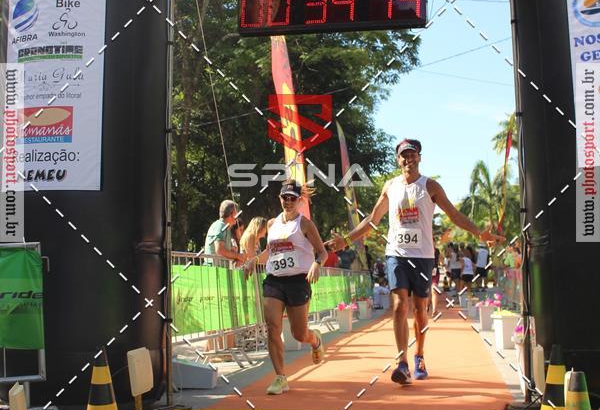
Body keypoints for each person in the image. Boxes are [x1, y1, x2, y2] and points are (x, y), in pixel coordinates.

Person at [327, 138, 504, 385]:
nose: (408, 159)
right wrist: (345, 240)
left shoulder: (430, 186)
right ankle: (402, 362)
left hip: (422, 257)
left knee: (420, 310)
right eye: (403, 156)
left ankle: (419, 354)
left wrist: (478, 233)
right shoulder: (390, 186)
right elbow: (372, 220)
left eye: (412, 155)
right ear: (398, 160)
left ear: (419, 158)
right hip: (396, 254)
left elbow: (453, 214)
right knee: (399, 305)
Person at [245, 180, 329, 395]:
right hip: (274, 280)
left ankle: (315, 339)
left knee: (299, 333)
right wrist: (253, 261)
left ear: (299, 200)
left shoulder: (305, 224)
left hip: (298, 281)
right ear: (280, 198)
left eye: (293, 198)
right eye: (285, 198)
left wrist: (317, 264)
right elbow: (270, 253)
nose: (288, 202)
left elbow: (322, 252)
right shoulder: (272, 224)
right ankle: (281, 377)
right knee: (273, 327)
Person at [204, 200, 245, 265]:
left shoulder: (225, 227)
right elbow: (220, 250)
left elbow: (224, 251)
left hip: (219, 270)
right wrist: (238, 256)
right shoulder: (220, 226)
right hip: (213, 270)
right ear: (233, 213)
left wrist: (234, 255)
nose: (238, 217)